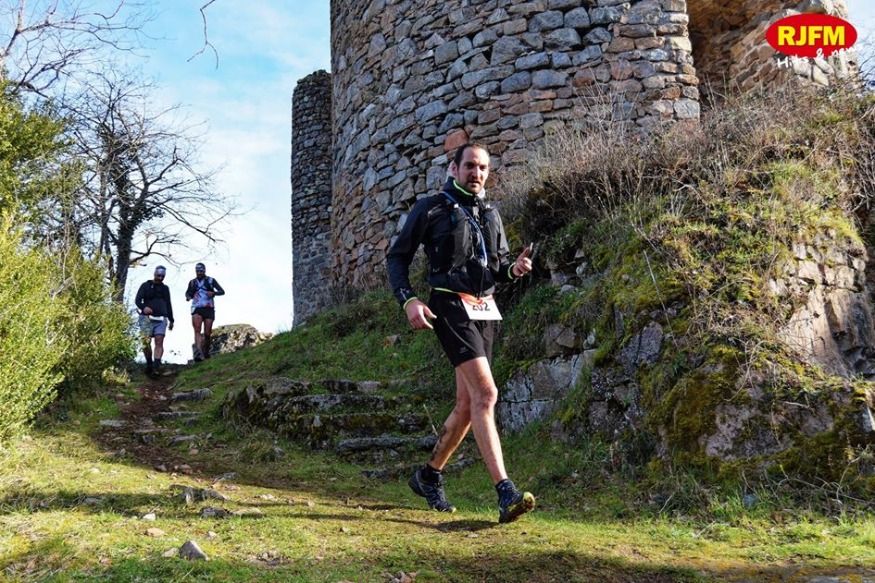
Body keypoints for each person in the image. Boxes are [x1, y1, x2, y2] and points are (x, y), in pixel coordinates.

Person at [386, 142, 535, 524]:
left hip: (485, 309)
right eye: (470, 165)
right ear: (454, 168)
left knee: (468, 404)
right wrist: (408, 300)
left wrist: (513, 270)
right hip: (449, 305)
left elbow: (497, 268)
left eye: (483, 167)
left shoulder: (491, 213)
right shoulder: (431, 208)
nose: (476, 173)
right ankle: (505, 492)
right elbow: (397, 257)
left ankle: (429, 475)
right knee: (487, 394)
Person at [134, 265, 175, 377]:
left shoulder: (165, 288)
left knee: (159, 341)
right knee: (146, 342)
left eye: (162, 276)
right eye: (158, 275)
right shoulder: (146, 285)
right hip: (146, 318)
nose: (160, 278)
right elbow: (137, 300)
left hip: (161, 318)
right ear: (155, 274)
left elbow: (168, 304)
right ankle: (149, 364)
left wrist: (171, 320)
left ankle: (156, 367)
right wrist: (144, 307)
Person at [184, 262, 225, 361]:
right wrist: (188, 297)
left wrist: (213, 293)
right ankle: (199, 353)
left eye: (201, 271)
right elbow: (187, 292)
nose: (199, 273)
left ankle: (206, 352)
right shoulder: (192, 282)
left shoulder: (211, 280)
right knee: (197, 330)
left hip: (209, 308)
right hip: (196, 307)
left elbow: (222, 291)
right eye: (197, 271)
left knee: (207, 333)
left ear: (204, 271)